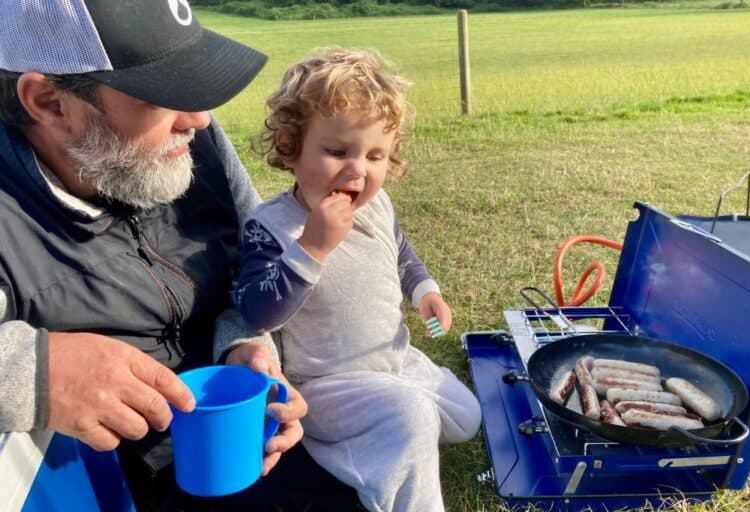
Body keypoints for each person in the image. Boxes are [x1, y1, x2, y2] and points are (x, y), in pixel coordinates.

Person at [0, 2, 362, 510]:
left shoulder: (198, 143)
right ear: (49, 102)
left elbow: (250, 270)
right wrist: (35, 372)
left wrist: (244, 346)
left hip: (229, 450)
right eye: (163, 94)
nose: (199, 119)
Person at [236, 47, 482, 512]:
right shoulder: (270, 226)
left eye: (376, 155)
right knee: (409, 417)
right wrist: (312, 248)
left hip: (392, 359)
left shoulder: (377, 206)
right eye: (337, 151)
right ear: (289, 147)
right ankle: (367, 463)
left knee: (466, 416)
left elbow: (401, 252)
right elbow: (256, 309)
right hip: (326, 384)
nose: (358, 170)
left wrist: (425, 290)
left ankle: (383, 433)